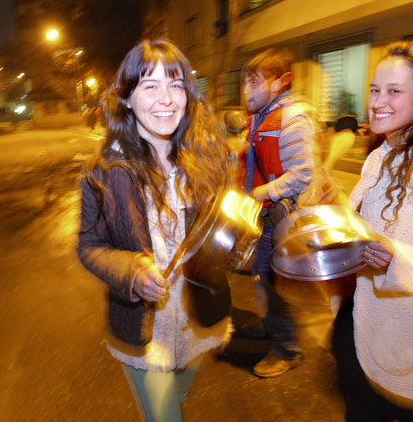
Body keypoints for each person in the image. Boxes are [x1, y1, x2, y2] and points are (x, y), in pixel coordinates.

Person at [77, 38, 232, 421]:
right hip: (145, 330)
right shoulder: (103, 171)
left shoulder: (206, 157)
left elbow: (221, 229)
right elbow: (89, 245)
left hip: (199, 318)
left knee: (177, 394)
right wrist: (131, 272)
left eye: (176, 85)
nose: (167, 99)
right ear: (127, 97)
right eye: (150, 85)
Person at [337, 40, 413, 421]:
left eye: (394, 91)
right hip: (359, 326)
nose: (376, 102)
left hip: (410, 347)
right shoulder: (379, 155)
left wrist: (397, 259)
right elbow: (370, 226)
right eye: (375, 90)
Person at [237, 47, 316, 378]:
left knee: (274, 284)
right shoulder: (260, 116)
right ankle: (272, 325)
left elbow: (302, 174)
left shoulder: (292, 119)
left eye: (255, 81)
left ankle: (287, 349)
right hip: (264, 217)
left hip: (281, 221)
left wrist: (259, 193)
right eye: (245, 82)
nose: (246, 91)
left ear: (281, 82)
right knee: (261, 276)